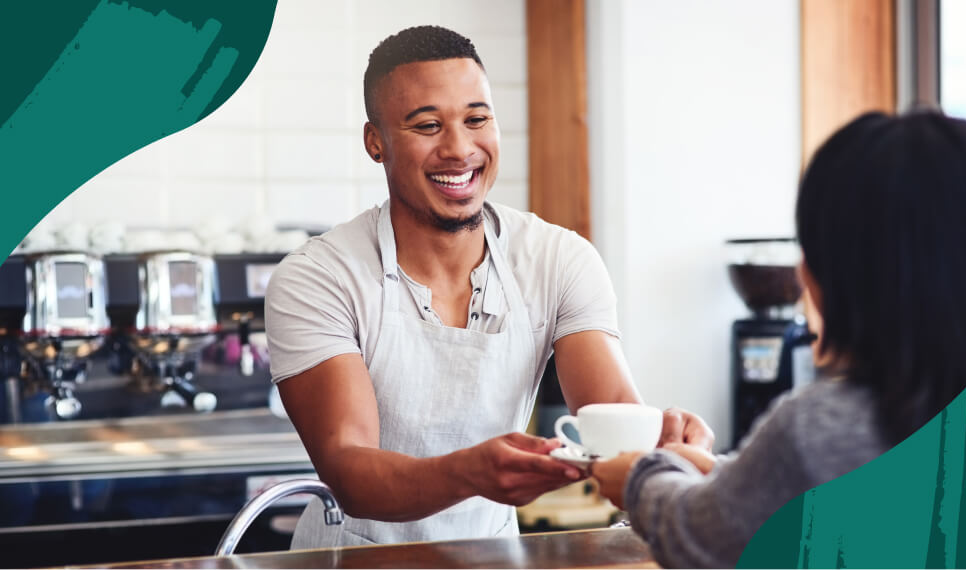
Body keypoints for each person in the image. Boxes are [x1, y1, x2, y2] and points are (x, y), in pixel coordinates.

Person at [264, 25, 712, 548]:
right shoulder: (319, 277)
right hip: (352, 559)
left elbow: (609, 414)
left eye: (476, 120)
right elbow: (351, 471)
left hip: (492, 555)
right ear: (375, 142)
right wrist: (469, 473)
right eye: (427, 125)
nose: (459, 149)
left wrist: (662, 446)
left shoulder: (558, 259)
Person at [592, 109, 966, 568]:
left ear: (821, 276)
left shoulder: (818, 427)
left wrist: (642, 476)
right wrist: (724, 472)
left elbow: (701, 535)